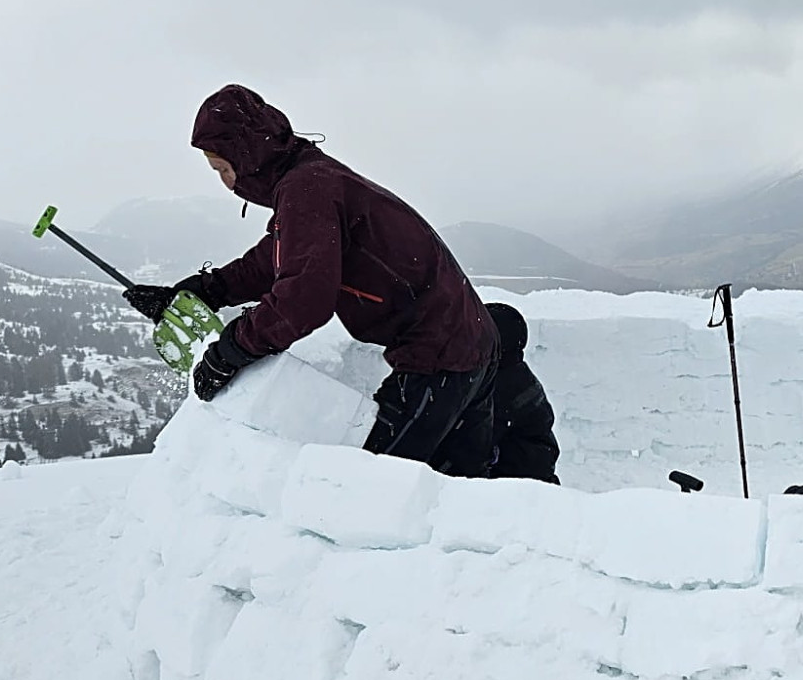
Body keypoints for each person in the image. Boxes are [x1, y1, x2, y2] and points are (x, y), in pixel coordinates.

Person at [122, 84, 502, 478]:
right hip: (468, 341)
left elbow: (303, 300)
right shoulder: (311, 177)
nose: (223, 180)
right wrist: (205, 290)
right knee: (457, 494)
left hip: (440, 355)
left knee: (375, 488)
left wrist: (230, 351)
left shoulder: (308, 188)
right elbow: (275, 259)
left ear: (244, 155)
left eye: (221, 168)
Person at [485, 301, 561, 484]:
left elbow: (479, 441)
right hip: (533, 473)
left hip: (525, 485)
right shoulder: (511, 372)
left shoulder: (506, 384)